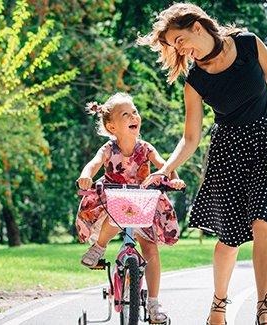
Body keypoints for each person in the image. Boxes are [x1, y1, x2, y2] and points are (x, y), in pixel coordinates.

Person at [137, 4, 267, 325]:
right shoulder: (195, 81)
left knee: (264, 222)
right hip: (228, 152)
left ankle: (264, 308)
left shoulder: (249, 44)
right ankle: (218, 306)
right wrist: (166, 167)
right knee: (229, 239)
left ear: (197, 27)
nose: (179, 50)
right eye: (173, 46)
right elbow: (191, 138)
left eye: (179, 40)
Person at [75, 92, 186, 324]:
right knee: (114, 219)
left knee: (151, 251)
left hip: (143, 201)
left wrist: (173, 178)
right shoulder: (108, 149)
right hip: (115, 198)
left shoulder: (145, 148)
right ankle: (99, 247)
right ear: (112, 126)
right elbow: (95, 164)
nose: (134, 115)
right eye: (126, 114)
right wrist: (86, 175)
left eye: (134, 111)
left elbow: (164, 166)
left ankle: (154, 304)